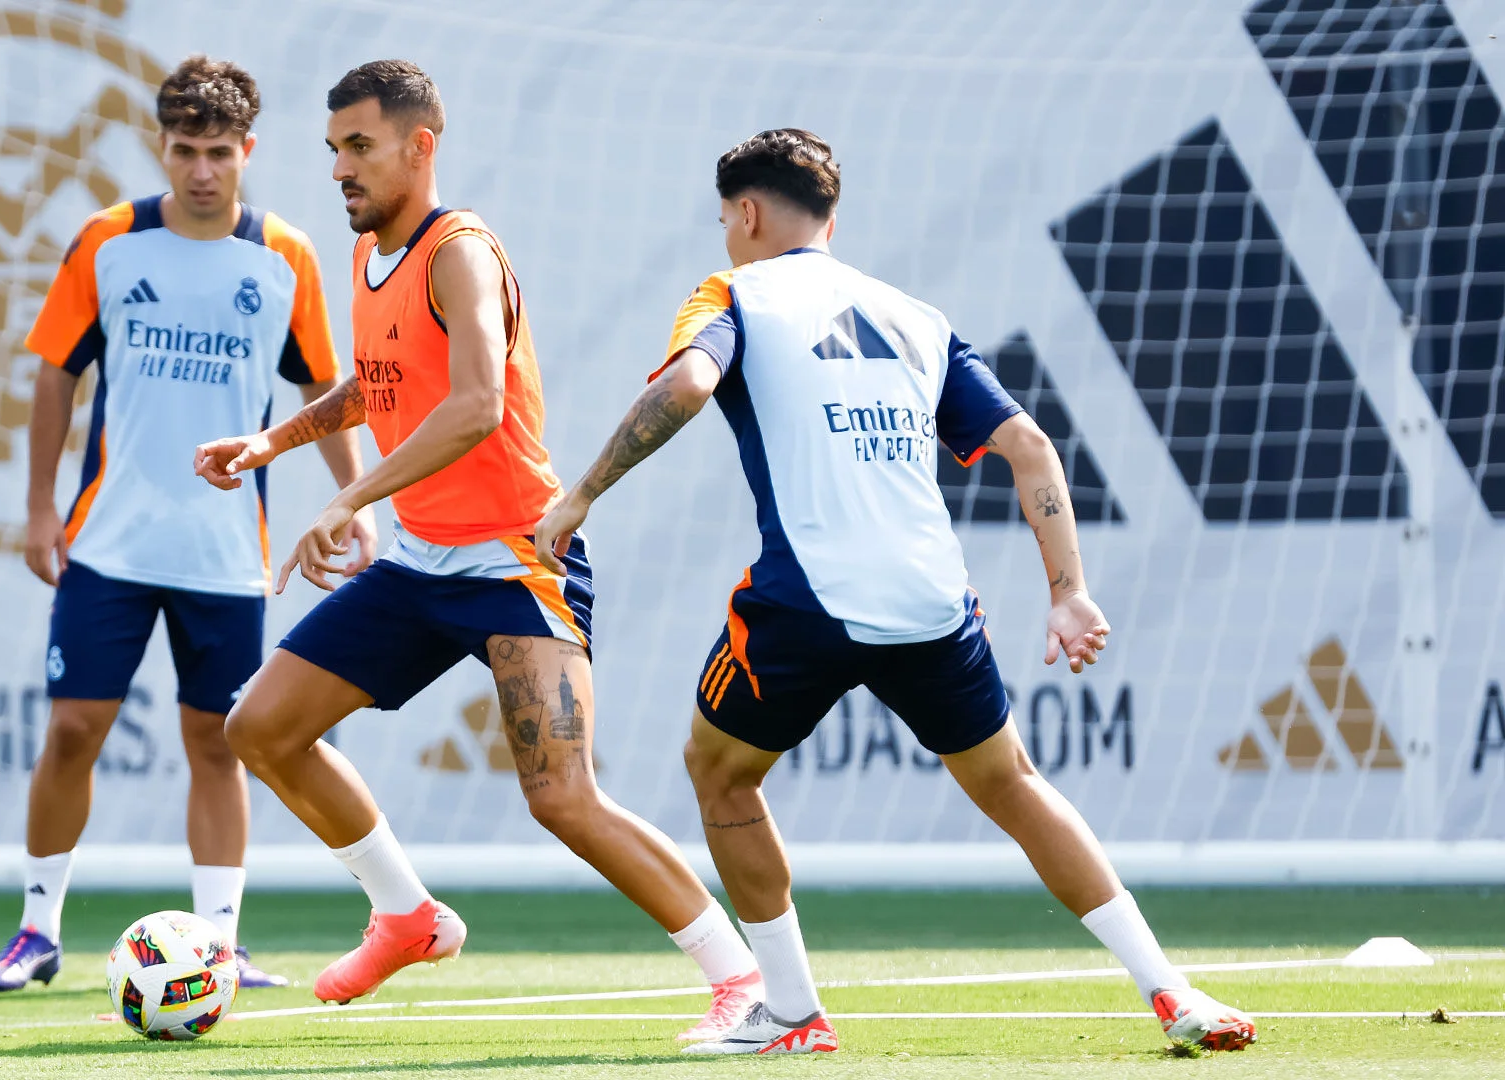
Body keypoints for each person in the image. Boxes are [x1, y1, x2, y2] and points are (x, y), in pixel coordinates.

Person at [533, 128, 1259, 1056]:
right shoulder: (913, 314)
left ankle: (791, 1013)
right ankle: (1172, 990)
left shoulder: (732, 294)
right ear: (833, 216)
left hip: (807, 602)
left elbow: (688, 382)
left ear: (747, 214)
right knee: (1014, 785)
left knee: (719, 771)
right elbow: (1030, 448)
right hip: (932, 603)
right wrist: (1068, 593)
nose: (725, 234)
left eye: (725, 218)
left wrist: (585, 491)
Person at [194, 60, 762, 1041]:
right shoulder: (372, 256)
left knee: (563, 799)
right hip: (422, 561)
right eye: (332, 150)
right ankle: (406, 915)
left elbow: (475, 405)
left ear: (422, 145)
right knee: (260, 729)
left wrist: (352, 497)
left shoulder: (461, 250)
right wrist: (271, 443)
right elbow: (375, 386)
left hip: (517, 557)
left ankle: (744, 982)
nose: (340, 168)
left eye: (359, 146)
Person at [0, 56, 373, 992]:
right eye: (186, 150)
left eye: (220, 152)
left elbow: (322, 389)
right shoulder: (108, 241)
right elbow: (54, 375)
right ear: (161, 145)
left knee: (219, 740)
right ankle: (36, 932)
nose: (202, 170)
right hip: (109, 544)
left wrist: (352, 501)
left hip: (227, 552)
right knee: (73, 729)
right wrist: (40, 509)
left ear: (249, 151)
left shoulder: (286, 256)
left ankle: (221, 945)